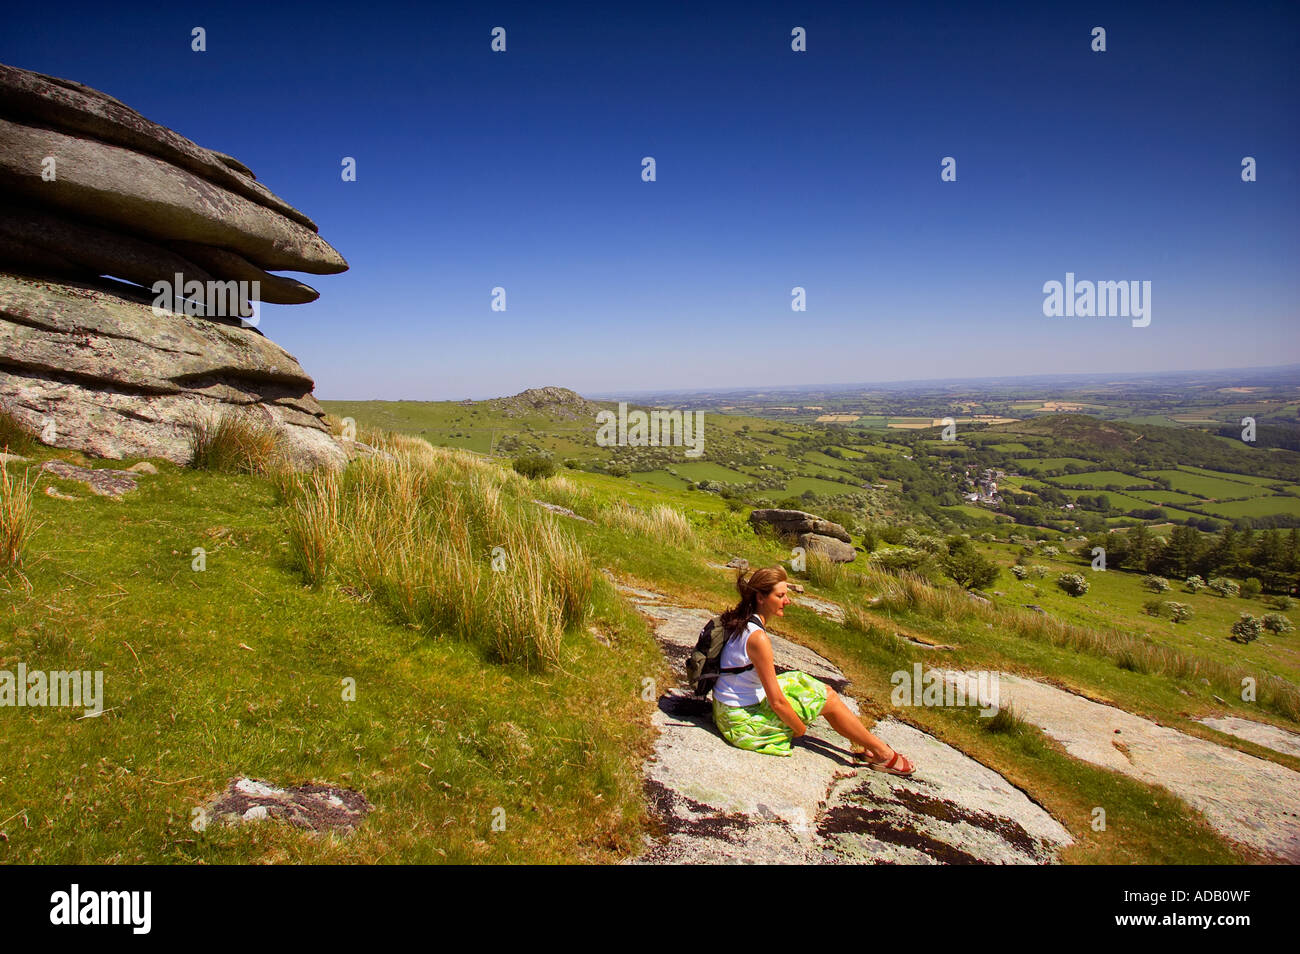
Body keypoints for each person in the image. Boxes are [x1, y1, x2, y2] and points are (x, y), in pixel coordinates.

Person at [711, 565, 915, 775]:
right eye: (780, 595)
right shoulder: (758, 638)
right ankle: (883, 753)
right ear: (761, 598)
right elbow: (777, 702)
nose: (787, 601)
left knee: (809, 684)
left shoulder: (741, 620)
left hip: (725, 711)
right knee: (828, 698)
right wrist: (799, 729)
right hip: (742, 725)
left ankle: (867, 744)